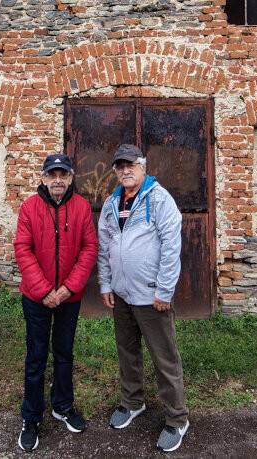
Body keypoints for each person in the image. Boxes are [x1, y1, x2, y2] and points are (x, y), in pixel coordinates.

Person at [97, 144, 189, 452]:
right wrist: (106, 285)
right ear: (115, 171)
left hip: (151, 296)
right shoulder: (112, 203)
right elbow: (104, 247)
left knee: (164, 359)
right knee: (127, 353)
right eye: (120, 166)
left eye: (130, 165)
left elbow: (171, 246)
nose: (125, 170)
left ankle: (177, 419)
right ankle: (132, 402)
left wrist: (164, 290)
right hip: (122, 295)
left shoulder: (160, 199)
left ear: (143, 166)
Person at [13, 153, 98, 452]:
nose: (58, 180)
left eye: (63, 174)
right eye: (52, 174)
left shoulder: (82, 207)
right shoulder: (29, 207)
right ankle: (31, 417)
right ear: (43, 178)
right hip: (36, 298)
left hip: (69, 297)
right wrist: (45, 290)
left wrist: (66, 290)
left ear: (71, 177)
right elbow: (23, 249)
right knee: (36, 356)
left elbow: (89, 248)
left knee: (64, 353)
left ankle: (62, 406)